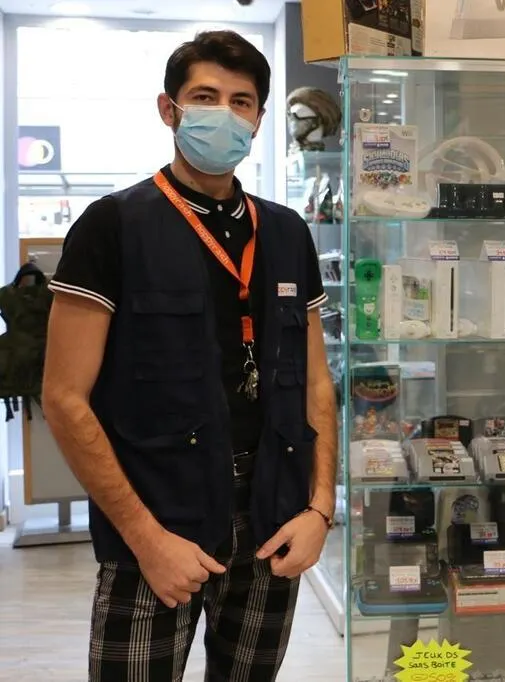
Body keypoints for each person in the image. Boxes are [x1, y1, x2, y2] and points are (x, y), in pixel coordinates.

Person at [41, 30, 338, 682]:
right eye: (204, 97)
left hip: (274, 518)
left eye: (241, 101)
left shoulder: (286, 233)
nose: (223, 113)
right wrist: (145, 539)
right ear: (168, 109)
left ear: (258, 119)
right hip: (157, 520)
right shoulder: (113, 226)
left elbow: (317, 383)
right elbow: (63, 397)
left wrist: (321, 508)